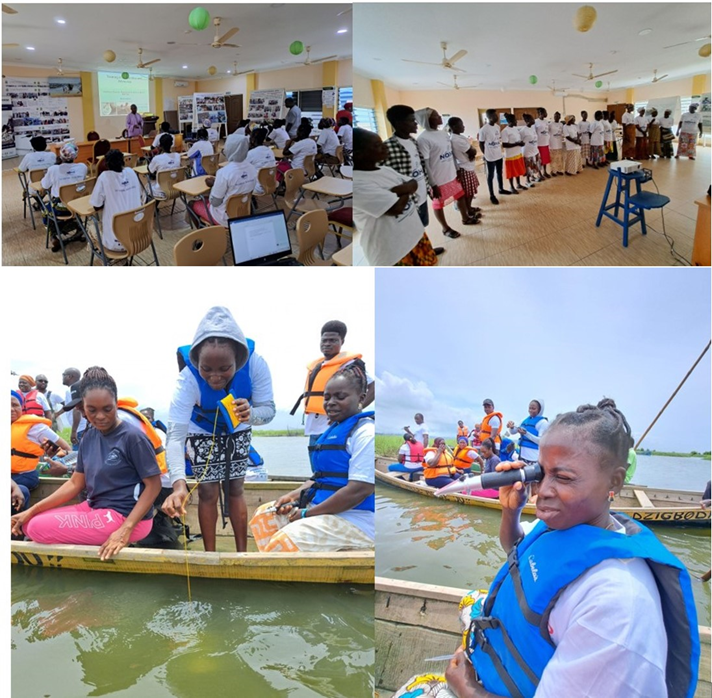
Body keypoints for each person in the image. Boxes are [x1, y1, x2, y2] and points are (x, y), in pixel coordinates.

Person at [395, 399, 699, 698]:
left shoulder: (616, 605)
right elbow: (518, 552)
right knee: (470, 601)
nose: (543, 491)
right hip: (506, 660)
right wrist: (510, 512)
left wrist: (466, 687)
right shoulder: (571, 523)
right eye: (541, 474)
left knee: (412, 691)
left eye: (563, 478)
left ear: (615, 481)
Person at [11, 368, 162, 560]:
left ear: (116, 404)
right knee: (30, 521)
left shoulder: (132, 438)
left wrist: (125, 529)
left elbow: (154, 485)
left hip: (126, 517)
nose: (100, 416)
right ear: (83, 406)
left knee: (35, 528)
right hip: (94, 507)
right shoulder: (89, 437)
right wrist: (31, 511)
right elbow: (75, 483)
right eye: (92, 410)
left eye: (107, 409)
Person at [161, 306, 276, 552]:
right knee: (207, 491)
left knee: (236, 487)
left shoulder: (256, 364)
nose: (215, 377)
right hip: (200, 429)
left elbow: (269, 410)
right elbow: (175, 437)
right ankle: (210, 555)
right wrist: (179, 484)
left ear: (238, 360)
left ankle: (242, 553)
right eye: (207, 369)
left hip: (238, 427)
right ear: (197, 362)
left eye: (225, 368)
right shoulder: (187, 379)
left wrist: (252, 414)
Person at [250, 365, 374, 553]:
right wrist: (293, 495)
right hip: (322, 508)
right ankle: (283, 568)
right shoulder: (332, 430)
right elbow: (319, 478)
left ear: (361, 398)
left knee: (284, 540)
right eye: (327, 397)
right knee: (263, 516)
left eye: (340, 397)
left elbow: (359, 490)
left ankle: (284, 575)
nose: (331, 402)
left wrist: (307, 513)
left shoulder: (365, 433)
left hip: (357, 518)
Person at [290, 320, 374, 465]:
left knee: (335, 470)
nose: (327, 344)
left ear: (342, 341)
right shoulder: (317, 366)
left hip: (334, 427)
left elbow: (373, 387)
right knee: (318, 470)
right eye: (324, 340)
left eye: (333, 340)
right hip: (314, 428)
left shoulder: (349, 364)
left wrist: (357, 409)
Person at [353, 128, 438, 266]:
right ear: (358, 154)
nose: (384, 147)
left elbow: (413, 183)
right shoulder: (357, 183)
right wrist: (406, 190)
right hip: (393, 253)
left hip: (416, 237)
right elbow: (396, 208)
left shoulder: (385, 170)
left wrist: (394, 192)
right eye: (377, 145)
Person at [417, 107, 480, 238]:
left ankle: (465, 218)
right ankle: (445, 228)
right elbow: (426, 164)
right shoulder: (423, 139)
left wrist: (457, 171)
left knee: (460, 196)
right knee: (438, 204)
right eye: (435, 115)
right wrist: (432, 184)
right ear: (427, 119)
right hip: (437, 179)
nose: (439, 116)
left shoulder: (443, 134)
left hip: (451, 174)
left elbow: (450, 154)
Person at [382, 104, 433, 237]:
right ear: (399, 123)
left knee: (422, 225)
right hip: (408, 200)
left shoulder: (413, 141)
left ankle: (425, 251)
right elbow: (386, 180)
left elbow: (420, 167)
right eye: (411, 120)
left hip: (421, 193)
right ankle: (419, 255)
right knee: (410, 231)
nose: (416, 123)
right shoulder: (387, 148)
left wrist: (428, 187)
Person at [190, 134, 257, 228]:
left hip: (224, 218)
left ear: (229, 148)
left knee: (192, 204)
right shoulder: (252, 169)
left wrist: (215, 185)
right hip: (243, 212)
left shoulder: (224, 172)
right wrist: (218, 183)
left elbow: (215, 202)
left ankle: (203, 233)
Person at [11, 390, 71, 492]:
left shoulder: (35, 427)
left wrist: (58, 457)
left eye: (15, 405)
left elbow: (67, 449)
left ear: (21, 407)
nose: (11, 409)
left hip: (23, 475)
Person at [90, 149, 145, 253]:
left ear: (106, 164)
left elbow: (96, 206)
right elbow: (140, 194)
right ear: (123, 161)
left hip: (115, 244)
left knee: (91, 226)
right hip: (138, 237)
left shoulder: (104, 177)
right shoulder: (131, 172)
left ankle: (109, 259)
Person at [41, 141, 88, 252]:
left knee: (45, 210)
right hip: (79, 206)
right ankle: (77, 227)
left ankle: (53, 235)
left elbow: (44, 185)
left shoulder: (53, 169)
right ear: (76, 155)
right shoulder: (83, 167)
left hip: (61, 209)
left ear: (61, 155)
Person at [448, 116, 482, 218]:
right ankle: (468, 211)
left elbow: (472, 151)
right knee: (468, 192)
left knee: (470, 191)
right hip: (464, 168)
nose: (463, 127)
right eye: (461, 125)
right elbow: (472, 151)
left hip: (468, 166)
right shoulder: (456, 140)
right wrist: (472, 150)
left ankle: (469, 208)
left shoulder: (459, 137)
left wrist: (472, 151)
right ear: (454, 127)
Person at [478, 109, 509, 205]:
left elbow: (497, 140)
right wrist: (485, 154)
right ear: (489, 117)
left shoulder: (497, 127)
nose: (497, 117)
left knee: (500, 173)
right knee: (490, 176)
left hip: (498, 155)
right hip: (490, 157)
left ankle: (501, 189)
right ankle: (492, 195)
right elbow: (481, 143)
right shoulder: (484, 129)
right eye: (495, 115)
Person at [506, 399, 548, 464]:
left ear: (539, 410)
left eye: (533, 409)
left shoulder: (543, 423)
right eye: (529, 408)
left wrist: (526, 433)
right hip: (522, 456)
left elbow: (541, 441)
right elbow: (513, 432)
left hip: (534, 457)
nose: (530, 410)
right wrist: (511, 427)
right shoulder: (525, 420)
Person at [147, 133, 181, 199]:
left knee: (146, 186)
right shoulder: (178, 156)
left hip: (161, 191)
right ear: (171, 144)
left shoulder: (157, 158)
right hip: (176, 189)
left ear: (160, 145)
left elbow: (150, 170)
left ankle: (152, 208)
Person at [246, 127, 276, 195]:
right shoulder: (269, 150)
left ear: (252, 139)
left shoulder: (251, 153)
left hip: (258, 188)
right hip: (270, 185)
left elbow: (241, 168)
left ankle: (248, 203)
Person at [501, 113, 526, 193]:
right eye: (515, 120)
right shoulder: (505, 131)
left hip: (517, 153)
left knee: (517, 170)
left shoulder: (515, 129)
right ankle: (511, 187)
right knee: (511, 172)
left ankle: (518, 184)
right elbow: (504, 144)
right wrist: (517, 144)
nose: (516, 122)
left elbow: (517, 140)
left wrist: (520, 143)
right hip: (510, 155)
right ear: (510, 121)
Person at [519, 113, 543, 185]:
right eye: (532, 119)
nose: (533, 120)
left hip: (535, 150)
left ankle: (533, 177)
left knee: (535, 164)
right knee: (528, 166)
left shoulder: (532, 128)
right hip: (527, 151)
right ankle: (527, 181)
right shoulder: (523, 130)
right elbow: (521, 141)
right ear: (527, 121)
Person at [534, 108, 552, 178]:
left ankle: (545, 172)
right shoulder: (535, 122)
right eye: (545, 112)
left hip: (546, 143)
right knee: (539, 160)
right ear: (540, 113)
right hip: (539, 144)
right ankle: (539, 173)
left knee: (545, 159)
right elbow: (534, 133)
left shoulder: (546, 121)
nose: (546, 113)